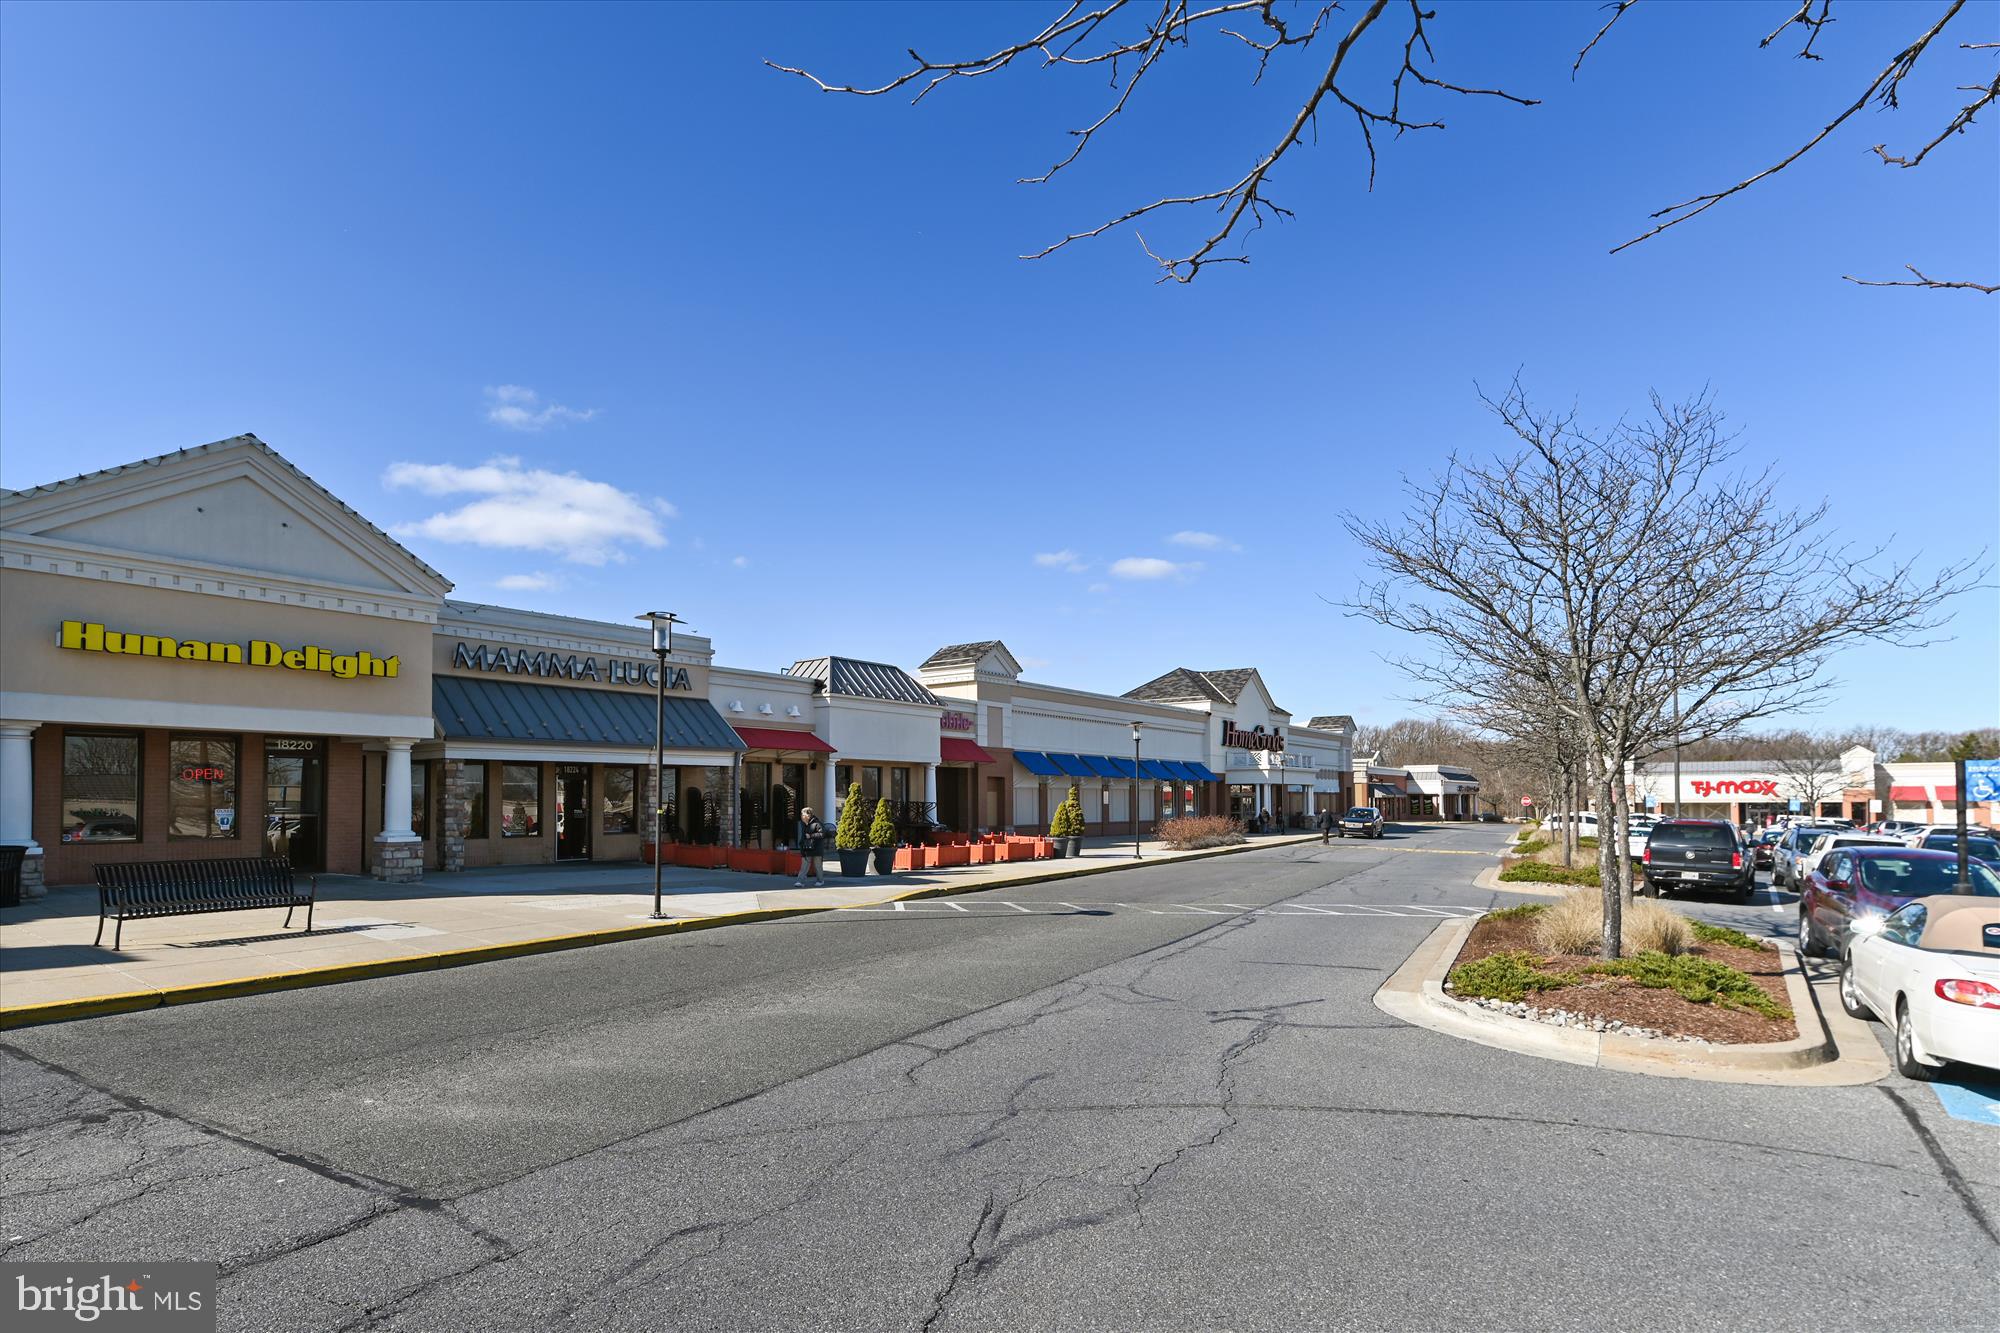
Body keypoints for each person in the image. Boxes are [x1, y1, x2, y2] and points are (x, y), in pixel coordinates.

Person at [795, 806, 826, 887]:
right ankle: (800, 881)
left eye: (803, 814)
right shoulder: (804, 824)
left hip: (817, 848)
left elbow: (822, 834)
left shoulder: (817, 823)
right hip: (807, 848)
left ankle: (820, 880)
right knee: (804, 865)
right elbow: (803, 836)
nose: (802, 816)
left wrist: (811, 835)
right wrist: (801, 845)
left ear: (808, 815)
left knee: (817, 866)